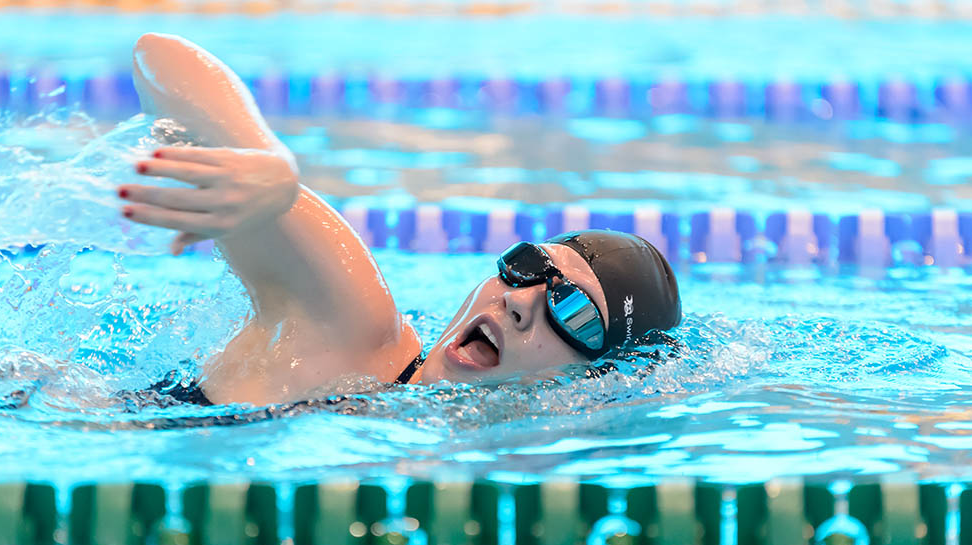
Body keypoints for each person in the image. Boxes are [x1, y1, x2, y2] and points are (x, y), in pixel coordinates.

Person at [120, 33, 681, 408]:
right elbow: (159, 56)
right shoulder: (351, 329)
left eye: (574, 313)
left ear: (598, 383)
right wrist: (265, 162)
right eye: (526, 267)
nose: (520, 299)